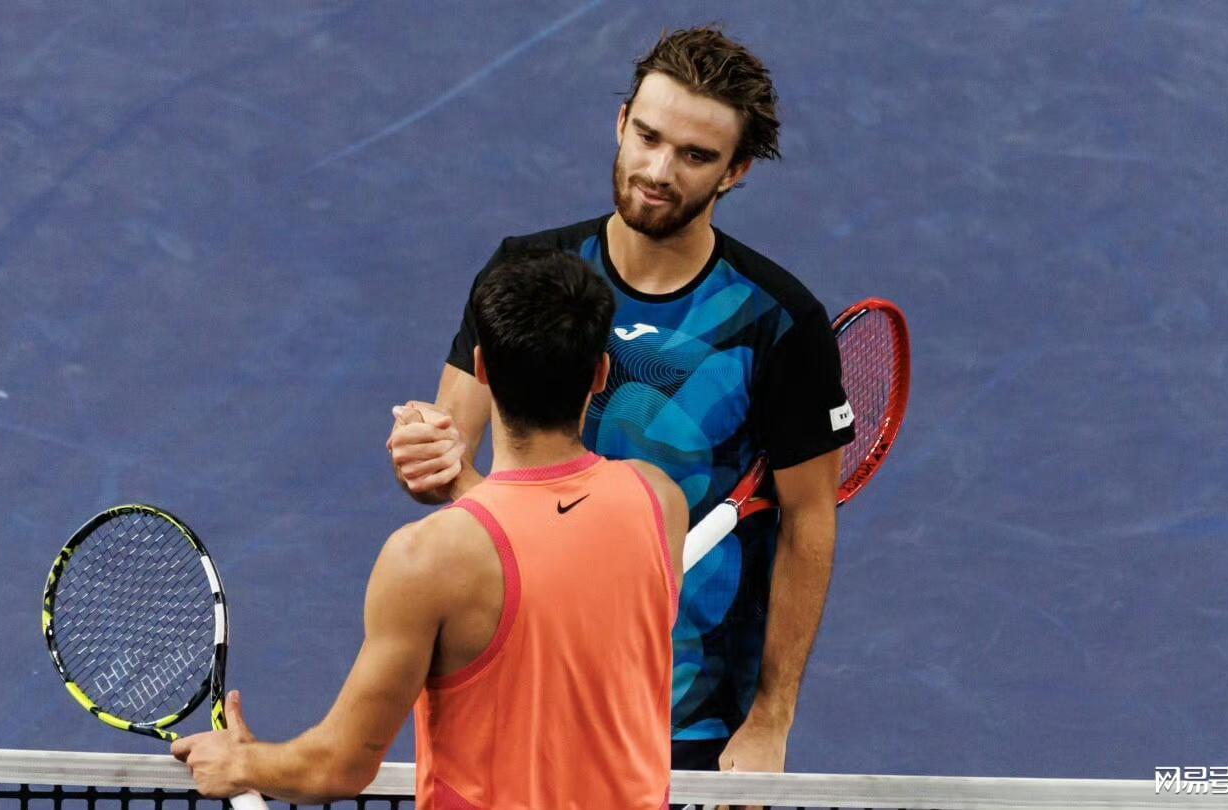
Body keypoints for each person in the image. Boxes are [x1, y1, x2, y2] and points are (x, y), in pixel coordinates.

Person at [387, 27, 854, 774]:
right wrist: (428, 456)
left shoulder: (778, 323)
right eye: (648, 136)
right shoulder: (525, 274)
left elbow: (809, 522)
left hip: (683, 718)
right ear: (621, 122)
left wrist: (772, 718)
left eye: (695, 156)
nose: (658, 171)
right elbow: (454, 461)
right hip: (522, 694)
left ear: (735, 171)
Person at [176, 249, 688, 809]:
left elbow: (338, 767)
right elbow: (553, 545)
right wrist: (465, 484)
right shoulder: (658, 501)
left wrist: (240, 763)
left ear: (482, 369)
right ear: (601, 373)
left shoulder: (429, 559)